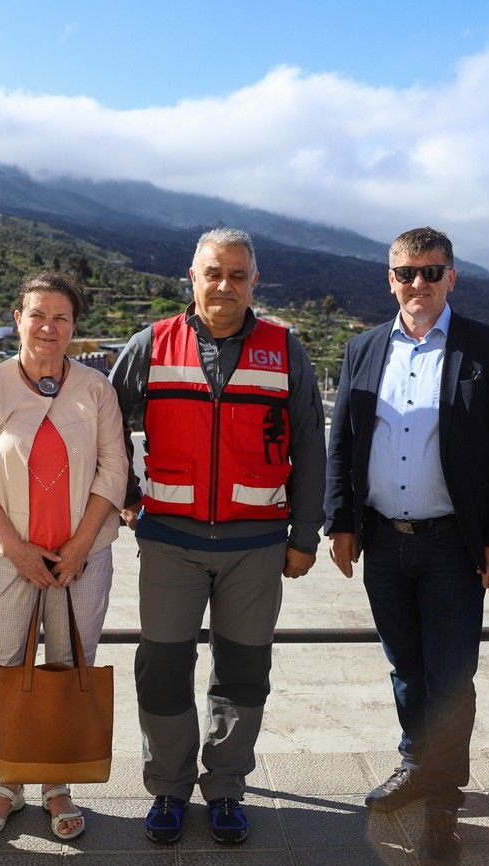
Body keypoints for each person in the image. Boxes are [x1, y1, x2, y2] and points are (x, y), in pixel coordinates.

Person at [109, 227, 326, 846]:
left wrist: (303, 535)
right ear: (193, 276)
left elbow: (311, 441)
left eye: (238, 275)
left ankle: (227, 786)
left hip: (254, 547)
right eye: (214, 273)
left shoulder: (285, 349)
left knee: (243, 672)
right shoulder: (151, 344)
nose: (225, 286)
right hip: (170, 543)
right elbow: (102, 420)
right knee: (163, 671)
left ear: (254, 282)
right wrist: (126, 496)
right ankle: (170, 789)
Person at [323, 227, 489, 864]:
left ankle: (444, 801)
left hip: (452, 547)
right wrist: (341, 522)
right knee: (405, 669)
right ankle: (416, 764)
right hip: (384, 541)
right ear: (390, 279)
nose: (418, 284)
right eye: (405, 273)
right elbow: (343, 443)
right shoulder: (363, 348)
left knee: (450, 677)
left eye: (431, 271)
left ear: (452, 277)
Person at [0, 272, 127, 841]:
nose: (49, 326)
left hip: (82, 557)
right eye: (38, 315)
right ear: (18, 319)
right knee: (3, 667)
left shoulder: (96, 388)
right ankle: (9, 781)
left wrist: (77, 548)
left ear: (74, 326)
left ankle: (57, 782)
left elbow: (114, 468)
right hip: (6, 557)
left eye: (61, 317)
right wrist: (16, 549)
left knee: (68, 663)